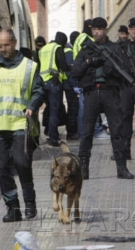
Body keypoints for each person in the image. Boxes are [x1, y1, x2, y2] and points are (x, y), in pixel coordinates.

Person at [0, 29, 45, 222]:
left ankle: (30, 202)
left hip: (20, 124)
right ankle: (13, 207)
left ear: (14, 42)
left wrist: (31, 106)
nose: (2, 49)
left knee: (22, 164)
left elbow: (39, 91)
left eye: (6, 45)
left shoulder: (29, 66)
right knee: (1, 167)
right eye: (0, 45)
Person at [71, 17, 134, 180]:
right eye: (94, 29)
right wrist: (89, 62)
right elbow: (75, 72)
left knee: (117, 130)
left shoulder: (114, 48)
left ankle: (121, 167)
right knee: (86, 132)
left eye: (100, 29)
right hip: (91, 93)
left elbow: (125, 68)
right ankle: (83, 168)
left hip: (110, 93)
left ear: (105, 30)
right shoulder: (86, 48)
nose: (97, 32)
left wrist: (110, 70)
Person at [39, 31, 71, 147]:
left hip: (43, 83)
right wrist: (70, 67)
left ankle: (50, 133)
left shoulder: (44, 49)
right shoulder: (58, 48)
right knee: (54, 111)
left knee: (48, 109)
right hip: (54, 83)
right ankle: (53, 138)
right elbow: (63, 66)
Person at [111, 18, 135, 161]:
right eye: (132, 28)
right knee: (125, 117)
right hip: (127, 86)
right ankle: (125, 150)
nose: (134, 31)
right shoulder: (122, 46)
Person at [62, 32, 79, 140]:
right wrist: (74, 85)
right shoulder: (69, 51)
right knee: (73, 109)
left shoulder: (68, 49)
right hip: (70, 85)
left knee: (72, 109)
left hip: (69, 84)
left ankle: (72, 132)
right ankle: (71, 133)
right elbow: (69, 70)